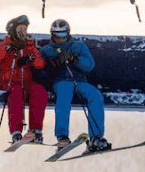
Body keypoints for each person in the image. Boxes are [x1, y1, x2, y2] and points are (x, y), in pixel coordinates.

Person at [37, 19, 111, 152]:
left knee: (95, 96)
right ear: (52, 35)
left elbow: (89, 65)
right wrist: (51, 65)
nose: (61, 38)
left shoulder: (79, 46)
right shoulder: (46, 50)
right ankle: (62, 136)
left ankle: (96, 137)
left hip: (80, 81)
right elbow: (38, 75)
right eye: (58, 35)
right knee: (65, 94)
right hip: (60, 82)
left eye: (64, 34)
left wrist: (73, 59)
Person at [0, 14, 46, 144]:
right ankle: (16, 131)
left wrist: (31, 55)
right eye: (20, 29)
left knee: (39, 91)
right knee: (16, 93)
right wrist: (7, 49)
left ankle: (35, 129)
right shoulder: (4, 45)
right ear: (13, 31)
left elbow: (40, 64)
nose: (23, 33)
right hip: (9, 83)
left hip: (26, 82)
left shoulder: (29, 47)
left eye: (25, 30)